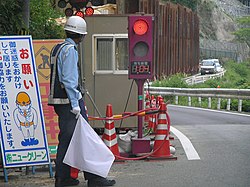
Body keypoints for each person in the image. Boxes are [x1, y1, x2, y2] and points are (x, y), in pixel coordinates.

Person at [48, 16, 116, 187]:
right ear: (80, 35)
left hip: (59, 102)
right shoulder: (70, 50)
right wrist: (76, 104)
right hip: (70, 103)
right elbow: (69, 80)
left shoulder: (57, 48)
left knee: (68, 139)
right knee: (85, 138)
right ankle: (93, 178)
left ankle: (64, 178)